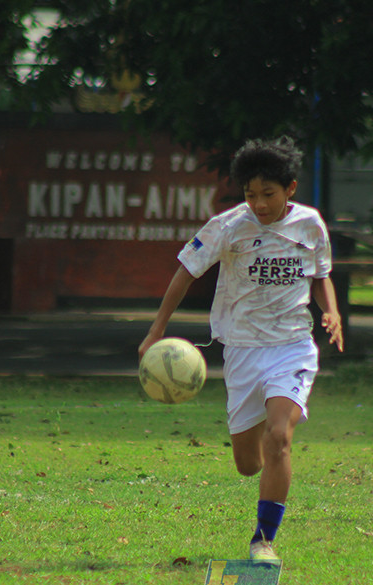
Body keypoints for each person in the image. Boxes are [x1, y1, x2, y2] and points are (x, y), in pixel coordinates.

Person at [139, 136, 343, 561]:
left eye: (268, 194)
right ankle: (264, 487)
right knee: (248, 463)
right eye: (251, 195)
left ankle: (263, 541)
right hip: (243, 351)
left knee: (279, 438)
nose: (259, 204)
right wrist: (156, 329)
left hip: (292, 346)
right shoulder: (230, 226)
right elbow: (185, 272)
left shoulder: (310, 225)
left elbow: (320, 274)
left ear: (290, 188)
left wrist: (332, 312)